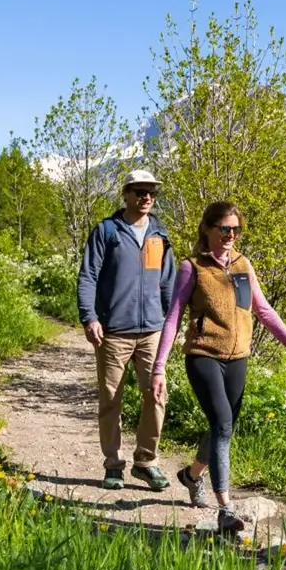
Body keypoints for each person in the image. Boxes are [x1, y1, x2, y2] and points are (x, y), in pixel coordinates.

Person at [153, 201, 286, 534]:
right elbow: (173, 318)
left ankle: (192, 475)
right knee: (223, 423)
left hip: (238, 358)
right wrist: (159, 368)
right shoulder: (192, 267)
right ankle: (226, 507)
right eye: (224, 229)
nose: (231, 236)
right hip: (203, 355)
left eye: (236, 230)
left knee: (222, 425)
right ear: (207, 230)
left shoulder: (242, 265)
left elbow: (262, 309)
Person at [77, 169, 177, 491]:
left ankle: (146, 462)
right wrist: (89, 317)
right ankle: (113, 465)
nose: (146, 197)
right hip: (113, 332)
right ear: (126, 194)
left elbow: (167, 284)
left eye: (152, 192)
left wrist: (172, 321)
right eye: (139, 191)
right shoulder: (107, 231)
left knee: (157, 395)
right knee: (110, 399)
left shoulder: (160, 235)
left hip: (152, 332)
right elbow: (88, 276)